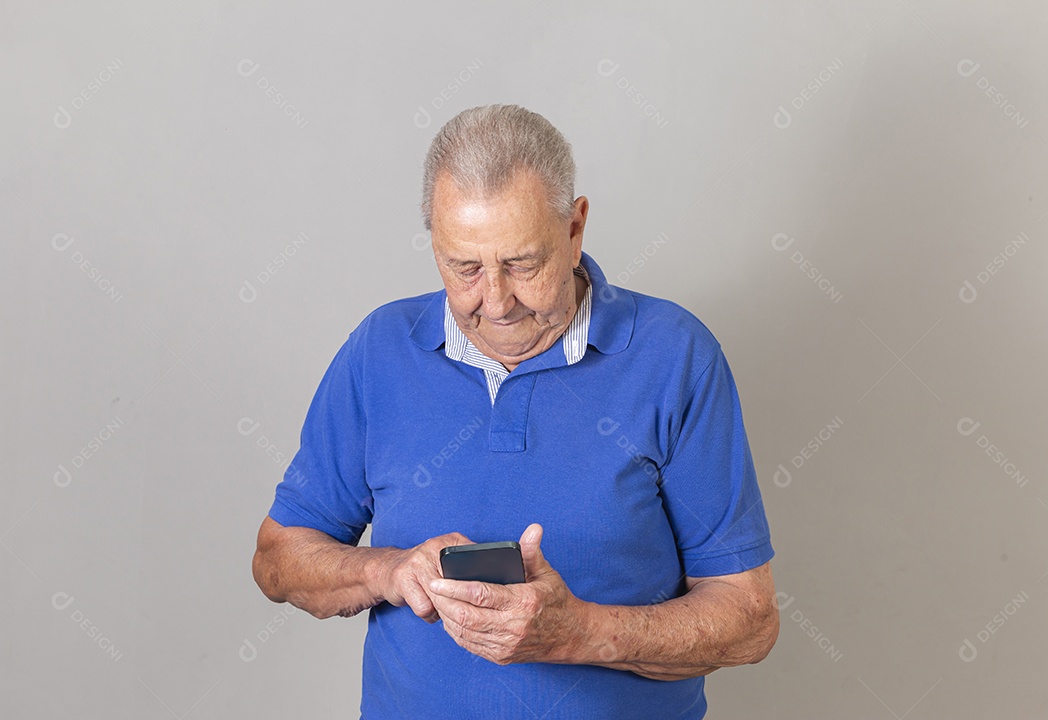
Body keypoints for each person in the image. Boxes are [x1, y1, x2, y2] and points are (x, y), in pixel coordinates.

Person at [252, 103, 779, 719]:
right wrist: (388, 570)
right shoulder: (378, 350)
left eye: (523, 265)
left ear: (576, 229)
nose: (496, 302)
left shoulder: (676, 356)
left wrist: (578, 632)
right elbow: (277, 559)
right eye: (464, 267)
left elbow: (749, 618)